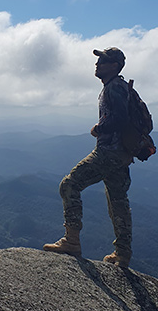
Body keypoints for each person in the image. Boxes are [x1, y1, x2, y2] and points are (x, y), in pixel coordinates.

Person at [43, 47, 133, 268]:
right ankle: (122, 254)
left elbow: (121, 118)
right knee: (118, 202)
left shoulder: (114, 88)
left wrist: (98, 128)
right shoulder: (119, 87)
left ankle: (71, 240)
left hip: (108, 152)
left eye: (102, 61)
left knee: (69, 185)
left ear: (114, 66)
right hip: (121, 154)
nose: (97, 64)